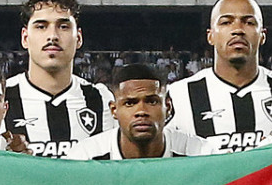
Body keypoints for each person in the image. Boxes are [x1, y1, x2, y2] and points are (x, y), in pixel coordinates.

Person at [165, 0, 272, 152]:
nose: (238, 30)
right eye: (226, 22)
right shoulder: (177, 95)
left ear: (262, 35)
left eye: (249, 22)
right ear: (210, 36)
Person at [3, 0, 110, 158]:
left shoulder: (101, 99)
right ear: (25, 38)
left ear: (79, 38)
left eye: (63, 26)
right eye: (41, 26)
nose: (52, 36)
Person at [67, 64, 203, 160]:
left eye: (152, 101)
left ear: (168, 107)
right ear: (114, 110)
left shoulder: (201, 154)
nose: (141, 111)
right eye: (130, 103)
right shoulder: (84, 157)